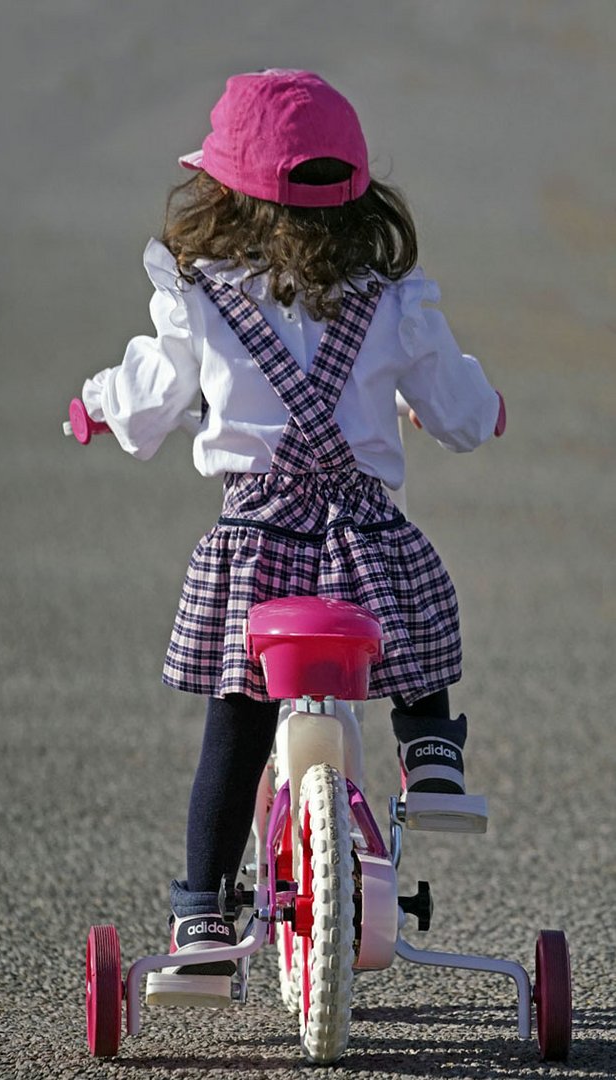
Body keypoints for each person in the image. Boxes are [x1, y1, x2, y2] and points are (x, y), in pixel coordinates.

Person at [81, 69, 504, 1006]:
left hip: (257, 555)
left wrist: (97, 408)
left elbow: (149, 398)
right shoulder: (392, 298)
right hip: (359, 540)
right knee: (412, 601)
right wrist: (481, 413)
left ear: (223, 190)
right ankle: (431, 747)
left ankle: (199, 915)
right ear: (359, 194)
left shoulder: (197, 296)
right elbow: (454, 400)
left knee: (232, 724)